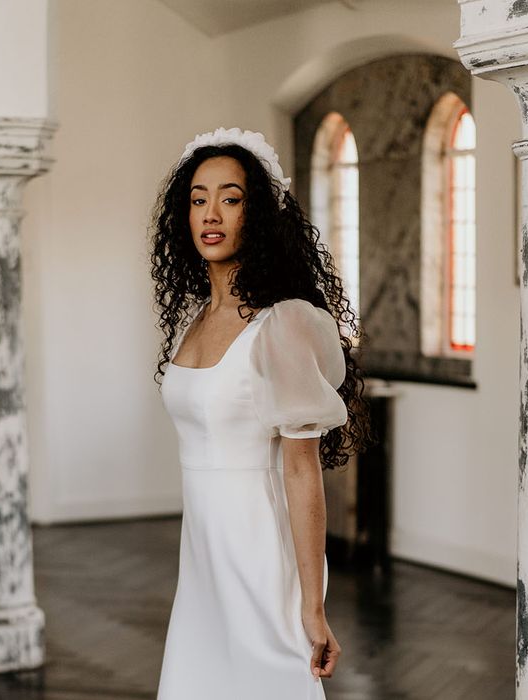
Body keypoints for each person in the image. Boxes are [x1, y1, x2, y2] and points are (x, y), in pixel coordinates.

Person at [149, 127, 373, 700]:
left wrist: (312, 603)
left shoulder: (284, 323)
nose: (211, 213)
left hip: (260, 550)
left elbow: (302, 472)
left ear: (261, 213)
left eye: (231, 197)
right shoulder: (193, 318)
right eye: (198, 199)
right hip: (202, 557)